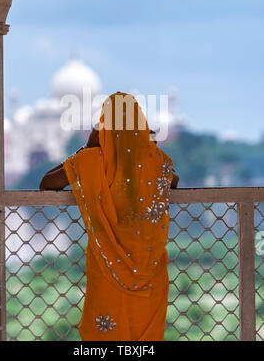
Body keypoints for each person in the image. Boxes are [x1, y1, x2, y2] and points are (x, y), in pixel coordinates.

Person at [40, 92, 179, 341]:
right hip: (151, 276)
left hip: (107, 270)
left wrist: (87, 148)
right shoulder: (156, 162)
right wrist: (146, 148)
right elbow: (173, 178)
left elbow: (47, 183)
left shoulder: (92, 161)